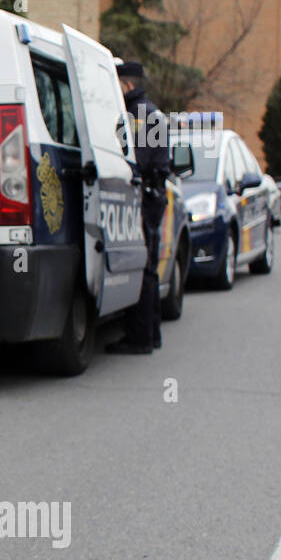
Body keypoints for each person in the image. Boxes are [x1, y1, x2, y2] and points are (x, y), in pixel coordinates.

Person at [106, 60, 170, 356]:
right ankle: (151, 333)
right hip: (154, 195)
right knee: (150, 268)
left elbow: (137, 162)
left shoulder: (137, 116)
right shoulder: (151, 112)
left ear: (126, 84)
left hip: (144, 198)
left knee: (142, 267)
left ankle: (140, 337)